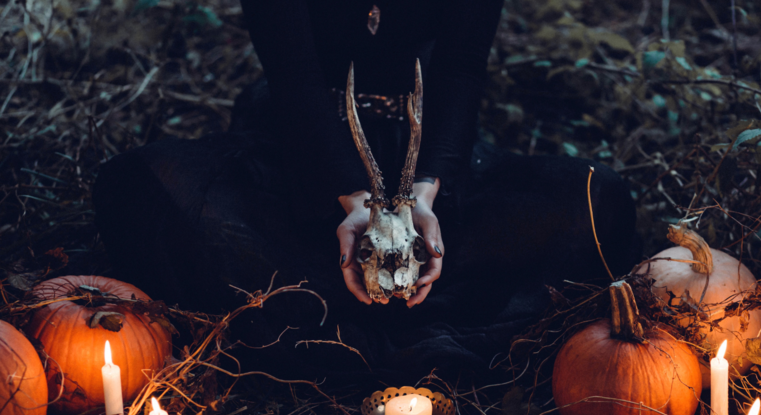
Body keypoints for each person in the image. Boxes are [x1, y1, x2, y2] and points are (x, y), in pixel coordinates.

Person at [92, 0, 637, 382]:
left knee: (596, 200)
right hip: (304, 150)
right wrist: (353, 200)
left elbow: (461, 70)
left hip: (429, 153)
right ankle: (377, 311)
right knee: (140, 186)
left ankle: (340, 307)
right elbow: (293, 75)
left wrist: (426, 195)